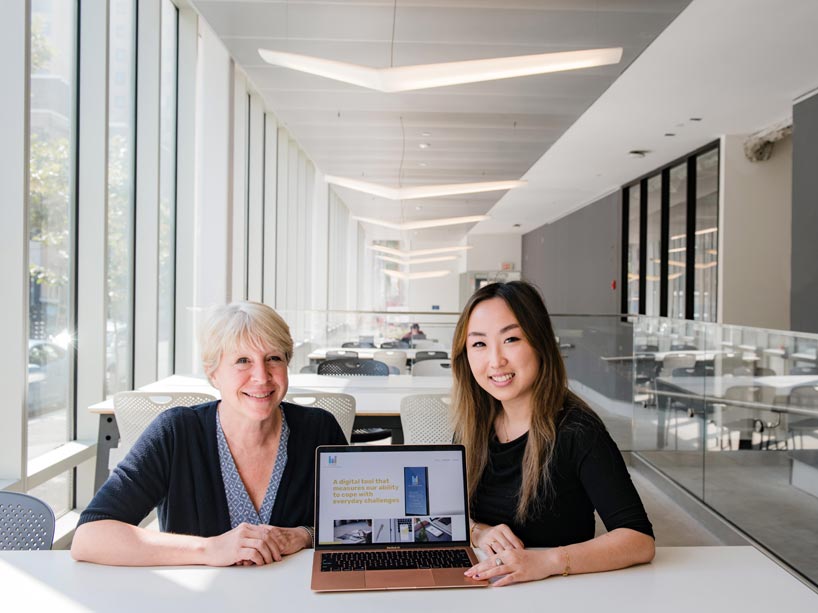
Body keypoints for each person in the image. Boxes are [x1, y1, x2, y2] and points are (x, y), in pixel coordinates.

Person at [71, 301, 347, 567]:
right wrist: (209, 549)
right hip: (199, 594)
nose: (261, 376)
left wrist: (305, 535)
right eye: (242, 361)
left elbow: (359, 524)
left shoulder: (319, 429)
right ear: (213, 374)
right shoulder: (176, 432)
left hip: (296, 594)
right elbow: (89, 537)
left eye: (273, 358)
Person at [451, 281, 655, 586]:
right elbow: (450, 515)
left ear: (540, 343)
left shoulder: (578, 431)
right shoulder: (473, 425)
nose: (496, 361)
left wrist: (546, 561)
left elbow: (638, 539)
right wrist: (478, 532)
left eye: (511, 339)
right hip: (484, 587)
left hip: (556, 593)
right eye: (479, 344)